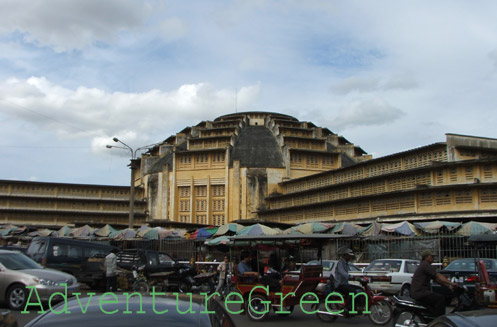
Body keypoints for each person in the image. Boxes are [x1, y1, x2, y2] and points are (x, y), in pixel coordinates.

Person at [411, 250, 457, 317]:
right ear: (426, 257)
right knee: (440, 299)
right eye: (431, 257)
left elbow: (437, 279)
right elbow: (438, 275)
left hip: (420, 292)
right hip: (420, 292)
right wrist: (452, 283)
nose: (433, 258)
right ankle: (439, 319)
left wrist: (448, 286)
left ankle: (431, 317)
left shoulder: (425, 265)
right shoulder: (425, 265)